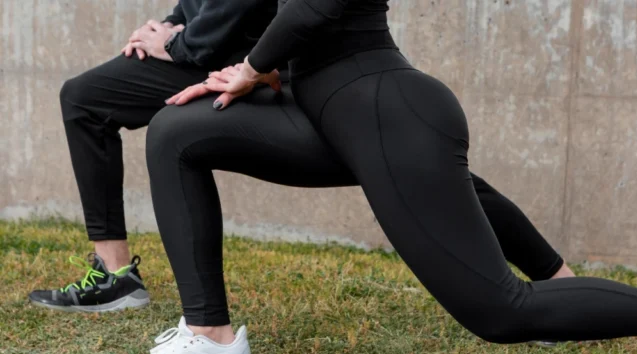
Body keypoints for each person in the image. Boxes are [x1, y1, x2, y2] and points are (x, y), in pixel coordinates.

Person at [108, 1, 637, 354]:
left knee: (499, 311)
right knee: (177, 132)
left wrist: (252, 67)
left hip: (387, 113)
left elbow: (317, 6)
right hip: (326, 111)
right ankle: (211, 340)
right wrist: (248, 63)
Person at [28, 0, 574, 313]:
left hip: (265, 56)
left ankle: (558, 281)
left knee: (424, 172)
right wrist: (168, 25)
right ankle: (117, 276)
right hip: (216, 48)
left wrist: (177, 45)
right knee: (86, 98)